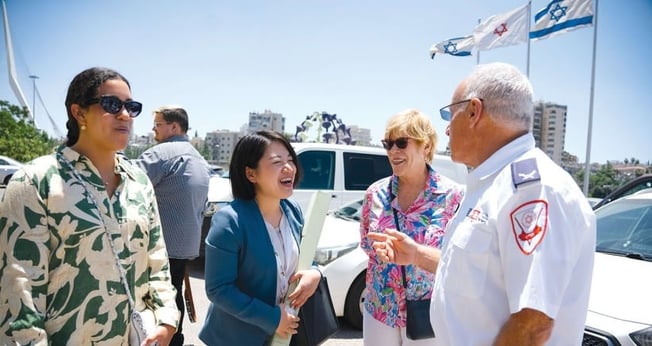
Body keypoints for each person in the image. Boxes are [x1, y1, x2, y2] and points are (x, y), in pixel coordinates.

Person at [370, 62, 596, 345]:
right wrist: (416, 254)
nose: (448, 130)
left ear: (474, 112)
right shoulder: (492, 184)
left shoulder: (533, 189)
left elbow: (532, 324)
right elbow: (475, 272)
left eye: (450, 115)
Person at [0, 67, 179, 345]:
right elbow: (18, 286)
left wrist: (166, 319)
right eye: (111, 104)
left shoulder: (139, 183)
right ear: (79, 113)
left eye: (131, 107)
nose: (125, 115)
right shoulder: (36, 181)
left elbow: (157, 261)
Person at [199, 130, 323, 345]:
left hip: (283, 338)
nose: (289, 168)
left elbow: (300, 260)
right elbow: (219, 289)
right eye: (277, 162)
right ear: (251, 174)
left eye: (290, 160)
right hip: (236, 338)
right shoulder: (230, 221)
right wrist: (273, 318)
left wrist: (315, 272)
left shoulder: (292, 210)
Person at [359, 109, 464, 345]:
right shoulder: (374, 194)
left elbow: (459, 263)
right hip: (380, 309)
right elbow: (366, 245)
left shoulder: (454, 197)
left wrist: (416, 255)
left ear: (426, 146)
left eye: (402, 142)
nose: (393, 151)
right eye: (388, 144)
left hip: (428, 312)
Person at [134, 105, 210, 346]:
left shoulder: (162, 153)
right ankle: (175, 340)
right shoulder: (199, 159)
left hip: (158, 246)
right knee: (172, 295)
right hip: (184, 245)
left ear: (174, 126)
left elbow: (126, 183)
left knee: (150, 301)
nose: (154, 130)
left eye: (158, 125)